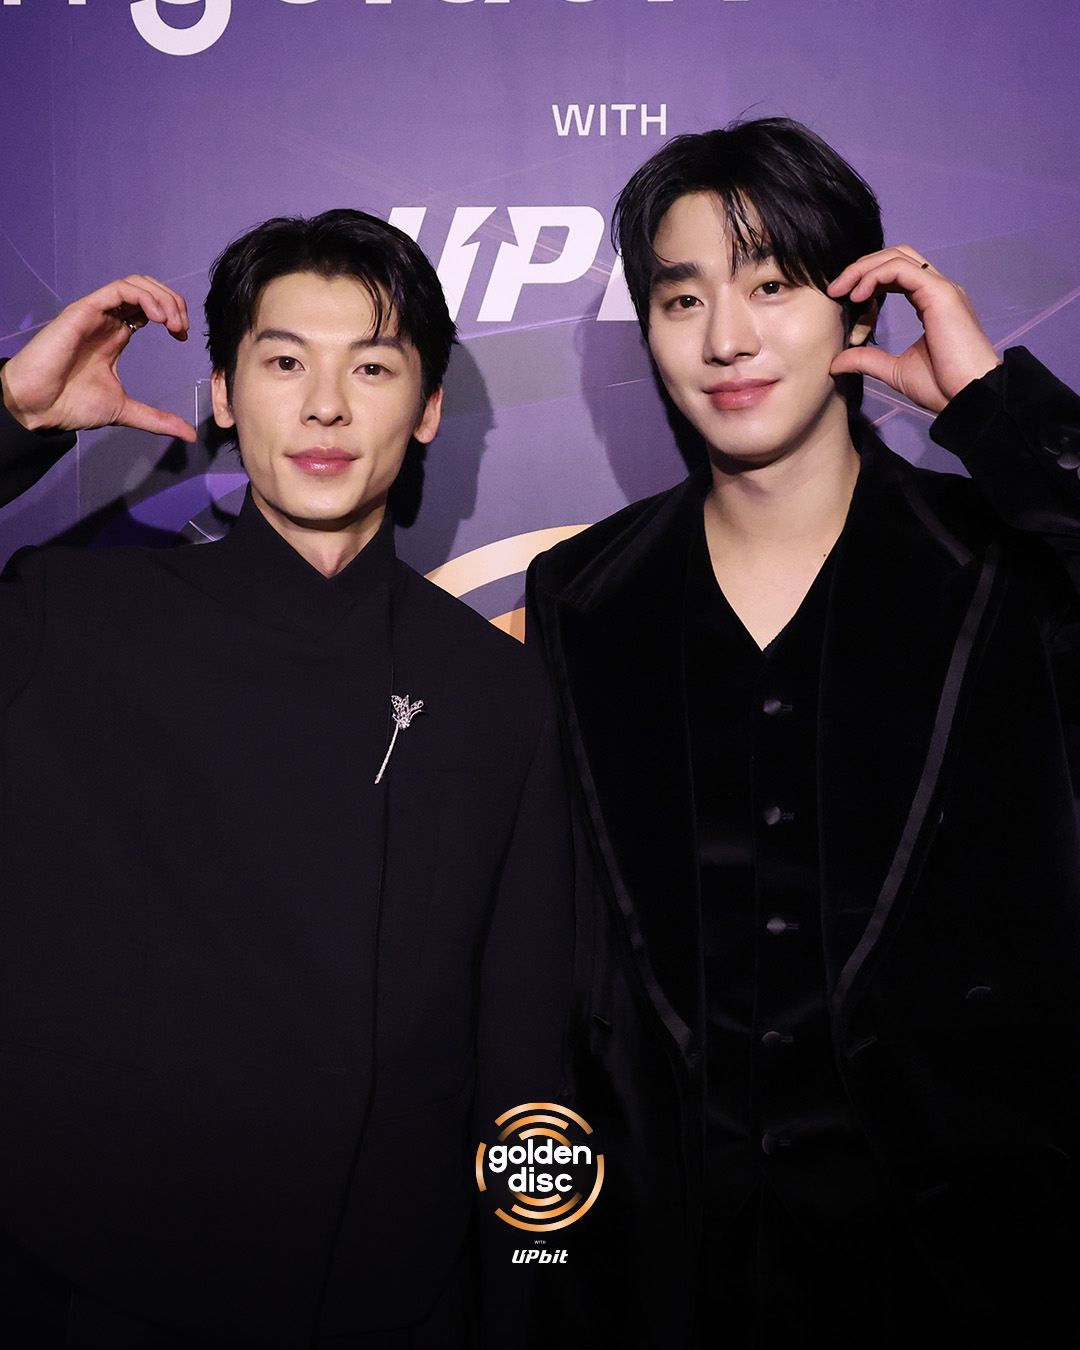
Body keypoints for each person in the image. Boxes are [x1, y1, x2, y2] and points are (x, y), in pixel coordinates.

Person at [527, 119, 1080, 1348]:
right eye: (682, 298)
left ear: (858, 304)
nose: (726, 338)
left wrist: (994, 411)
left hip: (970, 1273)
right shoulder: (582, 596)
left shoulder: (1003, 568)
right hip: (668, 1279)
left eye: (772, 285)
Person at [0, 210, 572, 1348]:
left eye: (373, 367)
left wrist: (530, 1294)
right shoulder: (74, 622)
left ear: (429, 408)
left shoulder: (495, 690)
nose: (325, 407)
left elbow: (528, 1059)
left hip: (397, 1309)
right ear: (222, 393)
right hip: (107, 1297)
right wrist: (10, 417)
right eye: (282, 363)